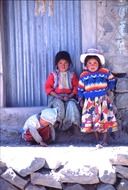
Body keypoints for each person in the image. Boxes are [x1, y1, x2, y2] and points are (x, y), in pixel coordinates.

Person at [78, 48, 118, 146]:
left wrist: (109, 89)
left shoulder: (104, 72)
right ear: (86, 65)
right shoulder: (84, 75)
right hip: (89, 102)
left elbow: (112, 80)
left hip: (103, 101)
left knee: (105, 119)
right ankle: (97, 140)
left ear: (99, 63)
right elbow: (80, 88)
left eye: (95, 63)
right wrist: (80, 99)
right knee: (92, 120)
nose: (92, 65)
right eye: (90, 63)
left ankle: (105, 140)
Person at [45, 51, 80, 132]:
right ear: (56, 64)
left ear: (69, 64)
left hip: (69, 97)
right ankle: (57, 123)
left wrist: (70, 96)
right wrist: (58, 96)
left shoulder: (72, 75)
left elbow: (76, 88)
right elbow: (48, 88)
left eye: (66, 63)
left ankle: (70, 124)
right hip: (56, 97)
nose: (63, 65)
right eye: (60, 63)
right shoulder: (53, 75)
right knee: (59, 105)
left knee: (72, 105)